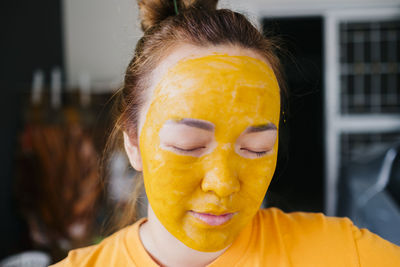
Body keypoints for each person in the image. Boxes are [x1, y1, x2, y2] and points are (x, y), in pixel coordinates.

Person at [52, 0, 400, 266]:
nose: (222, 183)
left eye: (256, 147)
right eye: (188, 145)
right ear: (132, 141)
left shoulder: (342, 254)